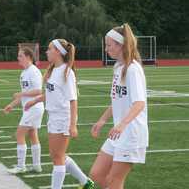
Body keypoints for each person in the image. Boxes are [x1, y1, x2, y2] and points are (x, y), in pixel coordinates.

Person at [25, 39, 94, 189]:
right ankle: (85, 182)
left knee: (57, 157)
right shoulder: (53, 70)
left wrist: (72, 125)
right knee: (56, 155)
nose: (46, 51)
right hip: (53, 116)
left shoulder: (66, 73)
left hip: (63, 118)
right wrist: (35, 100)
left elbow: (73, 100)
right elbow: (51, 94)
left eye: (49, 49)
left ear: (58, 52)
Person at [89, 23, 148, 189]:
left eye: (108, 45)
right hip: (119, 133)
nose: (106, 49)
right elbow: (117, 100)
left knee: (114, 181)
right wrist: (102, 120)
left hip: (131, 134)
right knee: (96, 174)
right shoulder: (118, 67)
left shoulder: (133, 69)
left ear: (120, 45)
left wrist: (122, 124)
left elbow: (139, 103)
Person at [4, 47, 44, 174]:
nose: (18, 58)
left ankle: (21, 166)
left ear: (28, 57)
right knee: (32, 134)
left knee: (19, 134)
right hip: (30, 108)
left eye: (20, 56)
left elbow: (39, 91)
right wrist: (12, 104)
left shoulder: (34, 71)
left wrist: (21, 93)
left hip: (34, 107)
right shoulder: (24, 73)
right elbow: (24, 95)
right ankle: (36, 165)